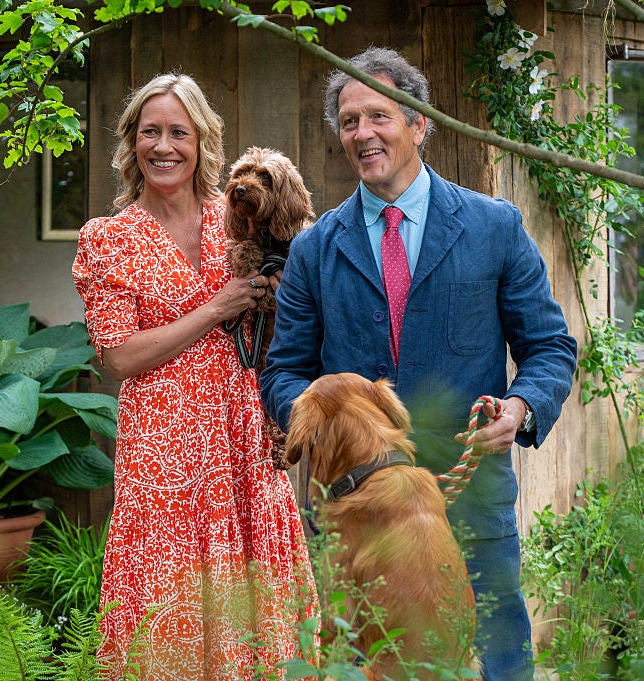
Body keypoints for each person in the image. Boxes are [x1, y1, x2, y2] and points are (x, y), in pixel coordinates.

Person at [259, 47, 578, 680]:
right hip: (355, 511)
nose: (363, 133)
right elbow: (283, 370)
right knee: (361, 663)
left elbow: (549, 347)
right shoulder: (315, 250)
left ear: (418, 123)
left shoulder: (494, 227)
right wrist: (324, 417)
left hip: (471, 496)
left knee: (495, 655)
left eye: (378, 115)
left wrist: (519, 408)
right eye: (349, 121)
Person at [72, 72, 316, 681]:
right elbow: (120, 356)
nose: (164, 146)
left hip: (245, 439)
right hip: (165, 448)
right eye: (149, 132)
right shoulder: (108, 239)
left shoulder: (236, 214)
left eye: (178, 132)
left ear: (202, 141)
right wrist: (214, 308)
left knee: (257, 590)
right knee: (168, 592)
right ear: (131, 144)